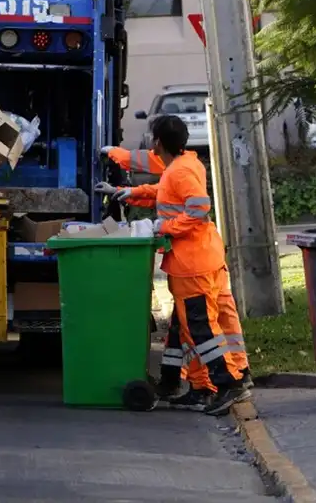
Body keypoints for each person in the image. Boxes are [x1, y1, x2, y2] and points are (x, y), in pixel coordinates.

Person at [95, 118, 250, 415]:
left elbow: (198, 206)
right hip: (202, 257)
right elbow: (167, 192)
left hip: (192, 262)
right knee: (184, 328)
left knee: (201, 330)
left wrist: (163, 226)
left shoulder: (178, 171)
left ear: (157, 143)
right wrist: (130, 192)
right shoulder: (184, 164)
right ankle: (188, 383)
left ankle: (227, 384)